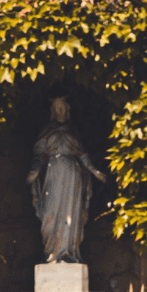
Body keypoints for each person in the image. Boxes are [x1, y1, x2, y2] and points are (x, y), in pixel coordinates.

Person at [26, 98, 105, 263]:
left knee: (70, 212)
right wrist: (34, 170)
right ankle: (51, 252)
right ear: (53, 110)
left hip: (72, 174)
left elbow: (82, 153)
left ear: (67, 109)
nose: (60, 110)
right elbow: (39, 152)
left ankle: (68, 251)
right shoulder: (47, 130)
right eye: (57, 107)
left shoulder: (73, 131)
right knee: (50, 212)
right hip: (53, 172)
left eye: (62, 107)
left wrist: (94, 171)